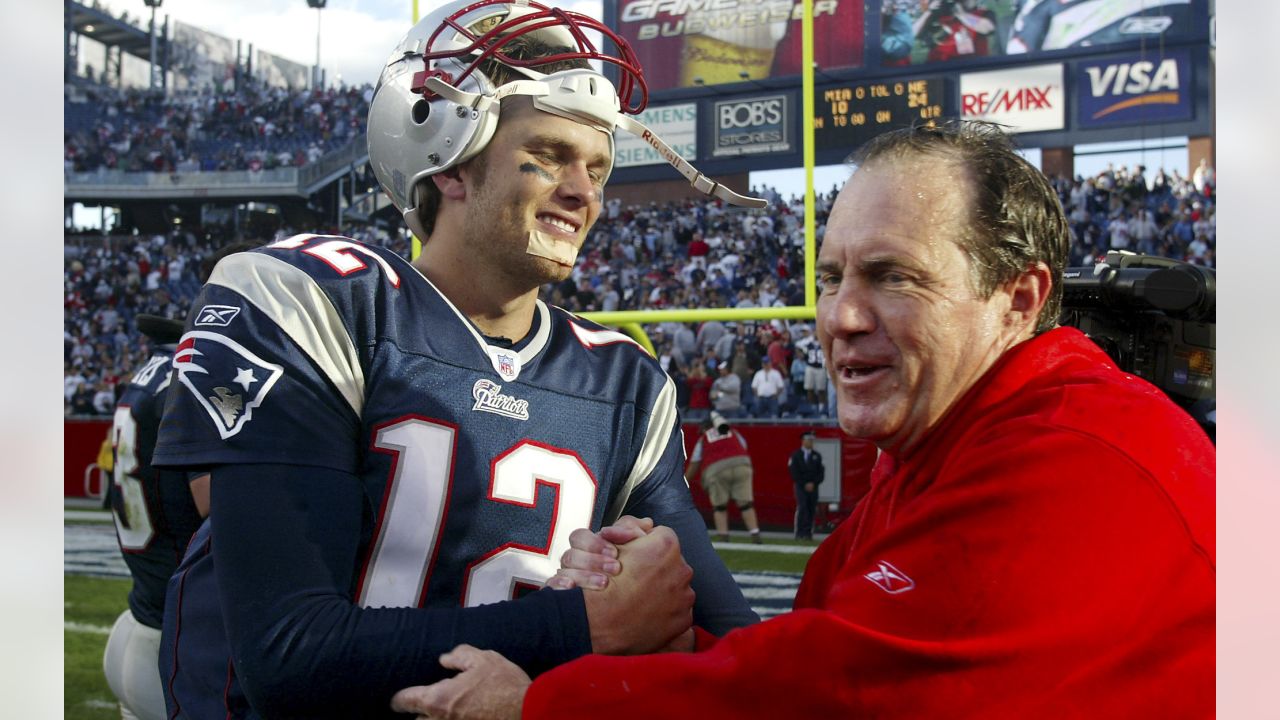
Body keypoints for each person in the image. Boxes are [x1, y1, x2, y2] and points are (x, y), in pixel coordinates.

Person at [391, 120, 1214, 719]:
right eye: (830, 278)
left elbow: (845, 694)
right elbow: (814, 656)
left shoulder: (1076, 449)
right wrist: (675, 641)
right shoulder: (940, 444)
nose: (841, 317)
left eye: (893, 276)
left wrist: (541, 705)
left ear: (1019, 299)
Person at [151, 2, 762, 718]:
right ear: (450, 159)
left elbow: (726, 641)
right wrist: (586, 626)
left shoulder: (622, 377)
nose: (585, 192)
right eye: (552, 154)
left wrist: (636, 588)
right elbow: (288, 652)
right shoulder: (316, 302)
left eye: (597, 167)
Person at [103, 315, 207, 720]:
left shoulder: (155, 369)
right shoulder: (193, 370)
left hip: (143, 617)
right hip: (180, 644)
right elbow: (212, 500)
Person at [686, 413, 762, 544]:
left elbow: (695, 463)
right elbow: (743, 447)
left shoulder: (704, 438)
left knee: (719, 506)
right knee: (746, 504)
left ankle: (724, 536)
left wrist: (684, 481)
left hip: (716, 469)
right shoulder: (733, 432)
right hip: (741, 465)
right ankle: (755, 534)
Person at [787, 431, 824, 541]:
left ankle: (808, 533)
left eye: (812, 440)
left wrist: (814, 483)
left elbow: (820, 473)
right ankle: (799, 532)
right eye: (809, 440)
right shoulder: (796, 455)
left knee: (811, 508)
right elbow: (794, 471)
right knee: (802, 507)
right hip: (800, 486)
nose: (811, 442)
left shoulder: (816, 456)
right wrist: (804, 483)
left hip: (814, 487)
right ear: (803, 441)